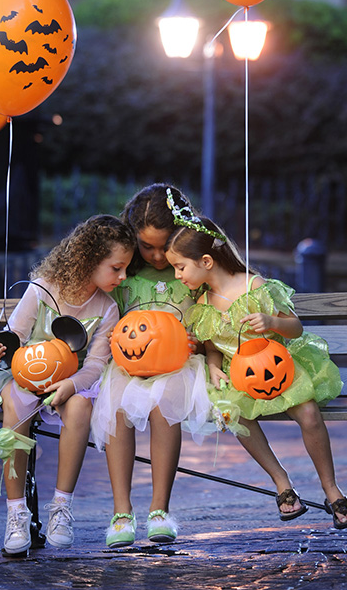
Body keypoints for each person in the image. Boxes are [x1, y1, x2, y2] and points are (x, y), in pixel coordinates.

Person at [0, 214, 135, 556]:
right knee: (15, 403)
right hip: (23, 375)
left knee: (81, 405)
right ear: (89, 260)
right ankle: (16, 512)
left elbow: (94, 365)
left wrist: (71, 386)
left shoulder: (106, 308)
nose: (122, 277)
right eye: (117, 268)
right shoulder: (43, 289)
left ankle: (62, 508)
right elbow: (12, 336)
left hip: (69, 382)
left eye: (125, 269)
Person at [165, 198, 347, 530]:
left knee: (310, 413)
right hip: (239, 376)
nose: (177, 274)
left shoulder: (254, 286)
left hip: (278, 368)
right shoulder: (202, 304)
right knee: (234, 414)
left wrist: (271, 320)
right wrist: (213, 364)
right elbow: (213, 346)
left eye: (180, 267)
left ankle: (331, 489)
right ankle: (281, 481)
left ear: (207, 261)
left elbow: (295, 327)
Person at [91, 184, 211, 548]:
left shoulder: (187, 271)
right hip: (126, 363)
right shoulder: (125, 274)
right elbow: (100, 314)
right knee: (114, 406)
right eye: (148, 246)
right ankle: (121, 511)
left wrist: (197, 340)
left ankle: (160, 510)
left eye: (165, 245)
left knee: (164, 405)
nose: (158, 256)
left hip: (179, 364)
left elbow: (213, 317)